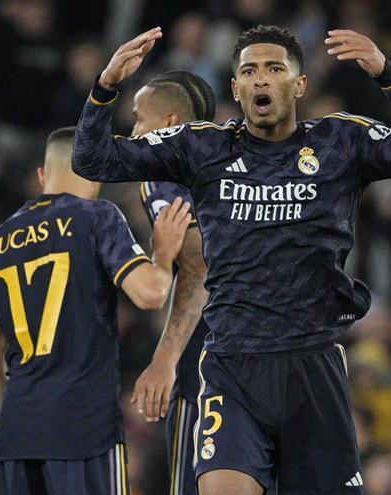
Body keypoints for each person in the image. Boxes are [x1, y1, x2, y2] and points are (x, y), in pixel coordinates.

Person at [73, 24, 391, 494]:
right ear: (235, 87)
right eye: (249, 70)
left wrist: (389, 74)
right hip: (233, 364)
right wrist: (106, 86)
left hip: (311, 365)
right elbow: (92, 161)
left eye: (275, 68)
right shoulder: (203, 147)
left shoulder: (339, 142)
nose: (261, 79)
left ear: (299, 84)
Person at [0, 126, 191, 494]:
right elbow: (151, 294)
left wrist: (8, 429)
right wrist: (164, 254)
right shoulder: (97, 217)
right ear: (97, 173)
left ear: (43, 175)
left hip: (17, 435)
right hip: (83, 428)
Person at [128, 70, 215, 495]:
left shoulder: (160, 175)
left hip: (209, 354)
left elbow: (198, 266)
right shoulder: (246, 156)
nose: (133, 132)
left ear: (168, 123)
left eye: (138, 120)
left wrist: (164, 360)